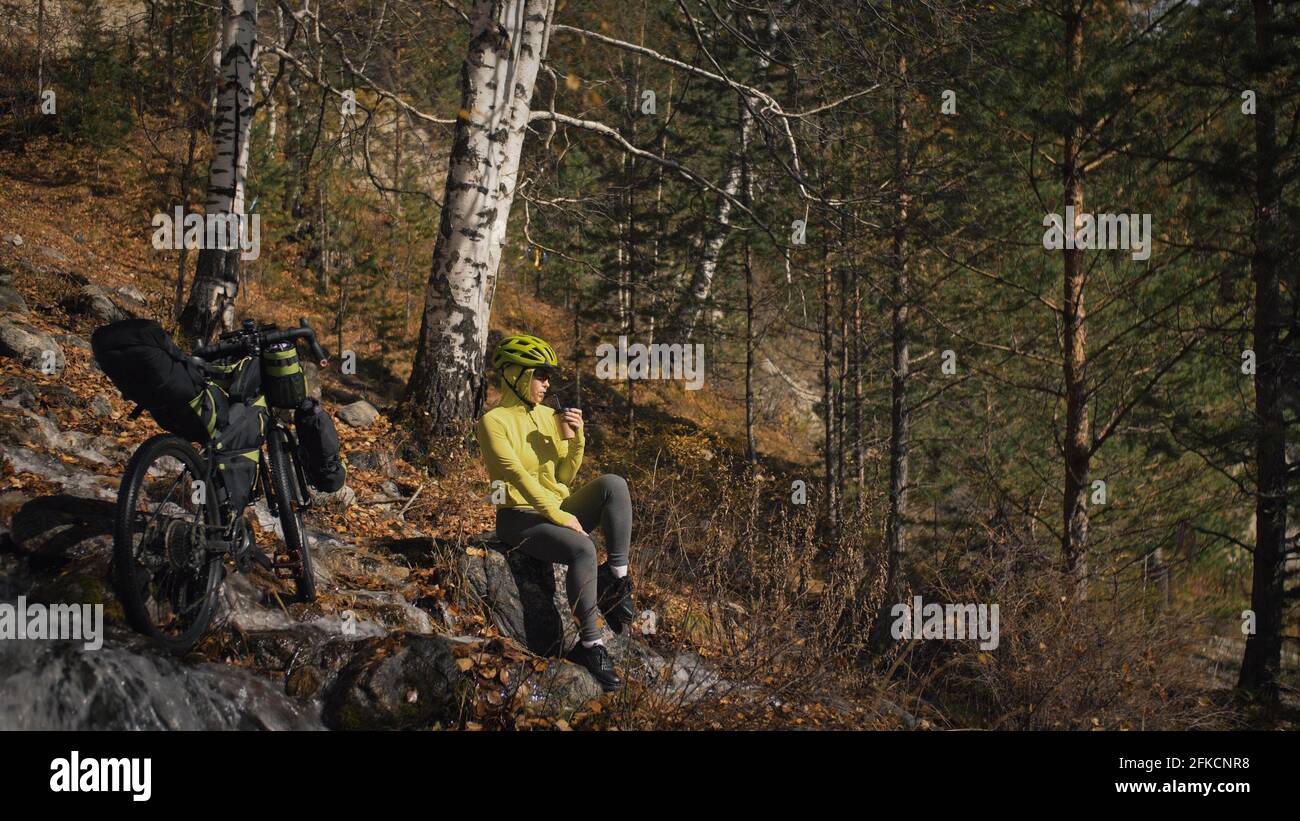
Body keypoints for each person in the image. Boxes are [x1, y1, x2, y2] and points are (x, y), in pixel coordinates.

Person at [473, 334, 636, 691]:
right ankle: (590, 646)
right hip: (519, 516)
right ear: (515, 374)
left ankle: (616, 579)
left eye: (549, 375)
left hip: (553, 506)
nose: (547, 382)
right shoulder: (494, 422)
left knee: (614, 484)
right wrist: (557, 514)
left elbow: (563, 476)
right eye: (540, 373)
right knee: (583, 548)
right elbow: (513, 474)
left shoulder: (548, 415)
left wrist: (576, 439)